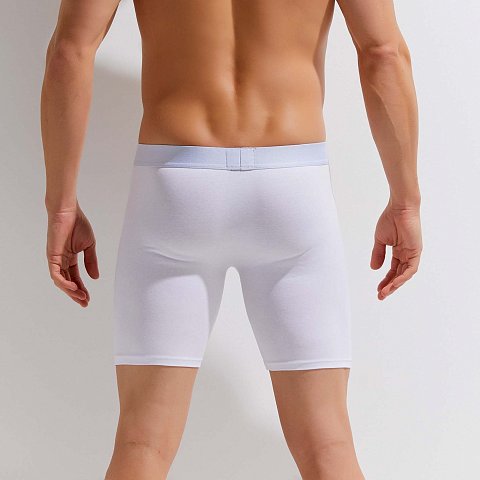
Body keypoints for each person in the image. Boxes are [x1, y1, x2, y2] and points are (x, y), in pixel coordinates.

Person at [41, 0, 422, 479]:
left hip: (175, 186)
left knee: (142, 441)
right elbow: (383, 52)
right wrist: (405, 201)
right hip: (292, 183)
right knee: (328, 444)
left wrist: (62, 206)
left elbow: (70, 52)